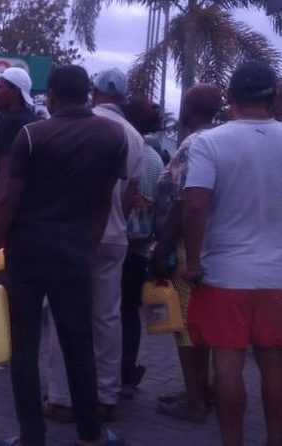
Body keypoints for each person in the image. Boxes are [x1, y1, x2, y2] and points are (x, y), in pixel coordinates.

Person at [0, 65, 127, 446]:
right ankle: (91, 434)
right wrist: (88, 247)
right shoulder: (113, 135)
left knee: (24, 349)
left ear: (51, 96)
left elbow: (8, 200)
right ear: (88, 94)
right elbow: (105, 198)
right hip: (74, 253)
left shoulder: (32, 135)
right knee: (79, 344)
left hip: (26, 254)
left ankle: (31, 436)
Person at [183, 61, 282, 446]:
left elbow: (194, 206)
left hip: (224, 274)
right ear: (272, 97)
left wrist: (192, 262)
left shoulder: (210, 142)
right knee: (274, 366)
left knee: (227, 368)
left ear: (230, 98)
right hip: (278, 277)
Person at [45, 68, 143, 423]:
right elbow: (130, 194)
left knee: (65, 315)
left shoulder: (71, 123)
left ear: (94, 91)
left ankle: (60, 397)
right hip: (114, 235)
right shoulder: (134, 135)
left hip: (72, 234)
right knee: (107, 318)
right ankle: (105, 396)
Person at [151, 84, 222, 424]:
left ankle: (195, 403)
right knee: (200, 327)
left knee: (186, 328)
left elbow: (184, 203)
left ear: (191, 109)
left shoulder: (195, 144)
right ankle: (200, 389)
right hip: (212, 246)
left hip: (186, 247)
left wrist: (162, 247)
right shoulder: (219, 139)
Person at [118, 96, 165, 399]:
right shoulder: (156, 158)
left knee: (106, 312)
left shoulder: (123, 148)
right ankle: (126, 375)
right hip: (138, 249)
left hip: (111, 240)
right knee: (128, 313)